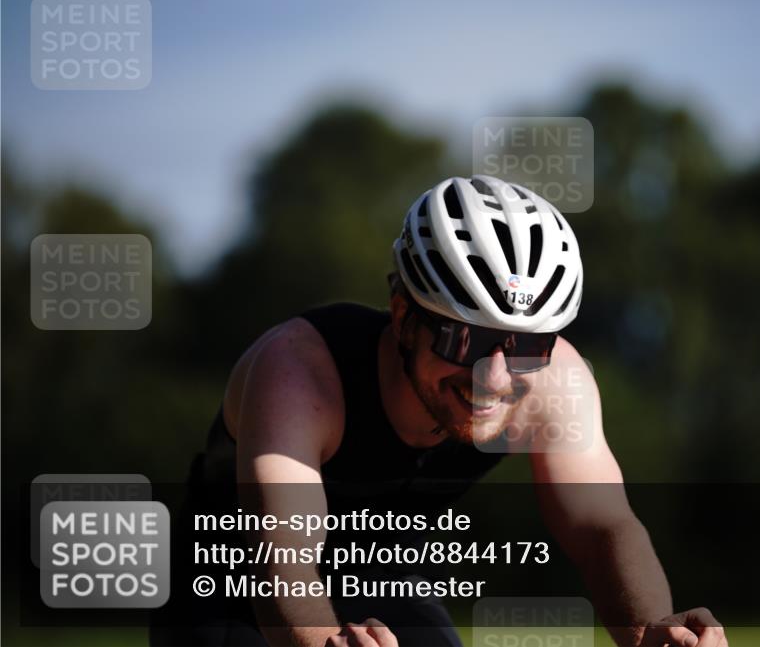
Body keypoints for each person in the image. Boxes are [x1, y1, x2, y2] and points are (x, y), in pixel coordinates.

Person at [150, 176, 727, 647]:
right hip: (231, 582)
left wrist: (655, 630)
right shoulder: (300, 373)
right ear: (402, 316)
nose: (495, 377)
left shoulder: (555, 380)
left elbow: (602, 527)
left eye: (527, 346)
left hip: (382, 577)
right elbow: (284, 554)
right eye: (464, 339)